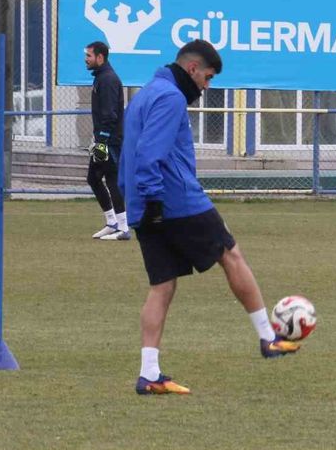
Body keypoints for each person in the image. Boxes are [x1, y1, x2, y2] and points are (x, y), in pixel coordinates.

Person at [118, 39, 299, 396]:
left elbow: (131, 154)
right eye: (208, 77)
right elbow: (148, 152)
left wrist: (141, 203)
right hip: (175, 201)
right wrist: (156, 198)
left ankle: (149, 374)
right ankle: (268, 338)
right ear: (192, 70)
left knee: (162, 286)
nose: (207, 86)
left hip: (143, 204)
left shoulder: (145, 94)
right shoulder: (170, 98)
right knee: (231, 255)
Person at [85, 41, 129, 241]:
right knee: (93, 178)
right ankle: (111, 222)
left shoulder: (109, 79)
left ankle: (124, 227)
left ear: (100, 57)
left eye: (89, 56)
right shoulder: (101, 78)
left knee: (112, 180)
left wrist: (101, 140)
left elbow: (110, 115)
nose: (86, 59)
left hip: (110, 141)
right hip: (102, 140)